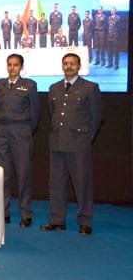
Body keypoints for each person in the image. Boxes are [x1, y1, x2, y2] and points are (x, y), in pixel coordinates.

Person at [41, 54, 102, 236]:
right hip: (57, 142)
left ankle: (85, 222)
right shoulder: (54, 88)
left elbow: (96, 117)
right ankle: (57, 220)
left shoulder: (90, 88)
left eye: (73, 64)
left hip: (78, 144)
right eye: (66, 64)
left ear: (79, 66)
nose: (69, 67)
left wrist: (86, 138)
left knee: (82, 184)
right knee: (56, 184)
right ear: (62, 66)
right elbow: (53, 112)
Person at [0, 54, 40, 227]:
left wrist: (25, 130)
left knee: (23, 175)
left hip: (21, 131)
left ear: (21, 67)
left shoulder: (29, 85)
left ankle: (26, 214)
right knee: (2, 175)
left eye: (15, 65)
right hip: (1, 132)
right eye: (9, 65)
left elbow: (36, 113)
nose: (12, 68)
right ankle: (3, 213)